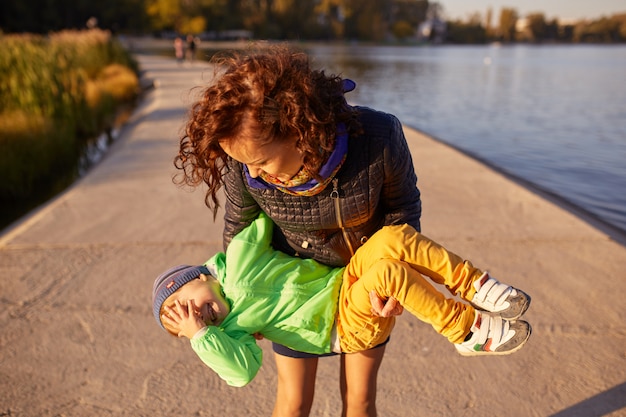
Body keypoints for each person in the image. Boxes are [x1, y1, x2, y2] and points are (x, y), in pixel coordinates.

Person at [174, 43, 419, 416]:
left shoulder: (379, 138)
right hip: (291, 296)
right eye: (244, 165)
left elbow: (402, 210)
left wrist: (393, 280)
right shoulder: (245, 167)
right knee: (292, 403)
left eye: (261, 162)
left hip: (362, 285)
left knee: (360, 399)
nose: (253, 173)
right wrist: (241, 302)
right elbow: (238, 230)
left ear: (298, 129)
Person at [152, 213, 532, 388]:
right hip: (340, 325)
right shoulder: (232, 335)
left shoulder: (238, 256)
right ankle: (465, 331)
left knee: (392, 238)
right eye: (185, 325)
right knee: (387, 274)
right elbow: (241, 374)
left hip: (343, 281)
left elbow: (263, 205)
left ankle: (474, 285)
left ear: (200, 275)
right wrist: (203, 337)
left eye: (185, 304)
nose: (196, 316)